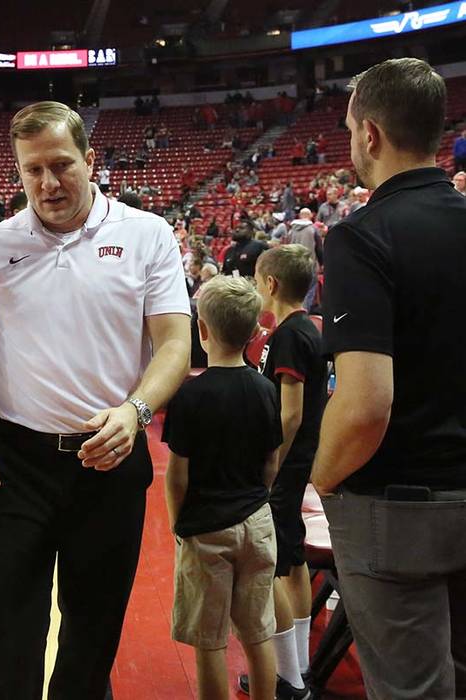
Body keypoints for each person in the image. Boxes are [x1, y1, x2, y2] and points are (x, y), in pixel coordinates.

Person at [0, 101, 190, 697]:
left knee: (93, 631)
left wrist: (135, 412)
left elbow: (176, 344)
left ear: (89, 159)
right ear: (18, 171)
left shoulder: (146, 235)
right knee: (10, 630)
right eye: (32, 170)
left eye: (61, 165)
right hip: (15, 462)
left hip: (109, 456)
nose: (48, 183)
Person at [313, 57, 466, 700]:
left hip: (397, 507)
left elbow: (368, 404)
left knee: (412, 690)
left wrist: (318, 476)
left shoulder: (361, 237)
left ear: (368, 134)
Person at [163, 275, 281, 700]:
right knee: (257, 631)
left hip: (208, 529)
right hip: (257, 521)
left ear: (202, 331)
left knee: (209, 639)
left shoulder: (190, 397)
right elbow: (271, 461)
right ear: (253, 334)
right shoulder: (267, 389)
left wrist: (179, 525)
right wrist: (257, 498)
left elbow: (178, 474)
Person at [237, 245, 327, 699]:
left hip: (287, 465)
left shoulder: (290, 335)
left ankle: (288, 680)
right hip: (301, 463)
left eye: (256, 278)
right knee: (293, 562)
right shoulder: (307, 328)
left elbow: (290, 415)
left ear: (270, 284)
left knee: (271, 568)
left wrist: (269, 466)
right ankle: (301, 667)